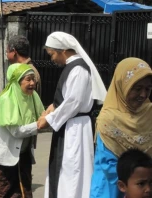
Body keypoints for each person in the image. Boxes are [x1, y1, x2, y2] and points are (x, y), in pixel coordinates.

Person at [37, 31, 107, 198]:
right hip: (70, 126)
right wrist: (53, 107)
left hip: (75, 129)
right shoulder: (72, 67)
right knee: (67, 169)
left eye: (52, 54)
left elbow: (73, 102)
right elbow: (68, 98)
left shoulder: (78, 70)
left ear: (63, 50)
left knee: (73, 170)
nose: (52, 59)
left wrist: (48, 119)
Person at [90, 57, 152, 198]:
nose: (143, 95)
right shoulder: (108, 119)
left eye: (148, 89)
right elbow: (108, 164)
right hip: (110, 189)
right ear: (122, 86)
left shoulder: (150, 113)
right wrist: (136, 183)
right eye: (137, 89)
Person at [0, 63, 44, 198]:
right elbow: (17, 131)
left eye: (33, 79)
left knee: (22, 193)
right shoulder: (6, 100)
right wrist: (39, 125)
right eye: (28, 79)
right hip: (3, 158)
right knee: (0, 193)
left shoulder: (33, 97)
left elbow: (42, 115)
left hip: (23, 155)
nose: (32, 83)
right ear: (16, 81)